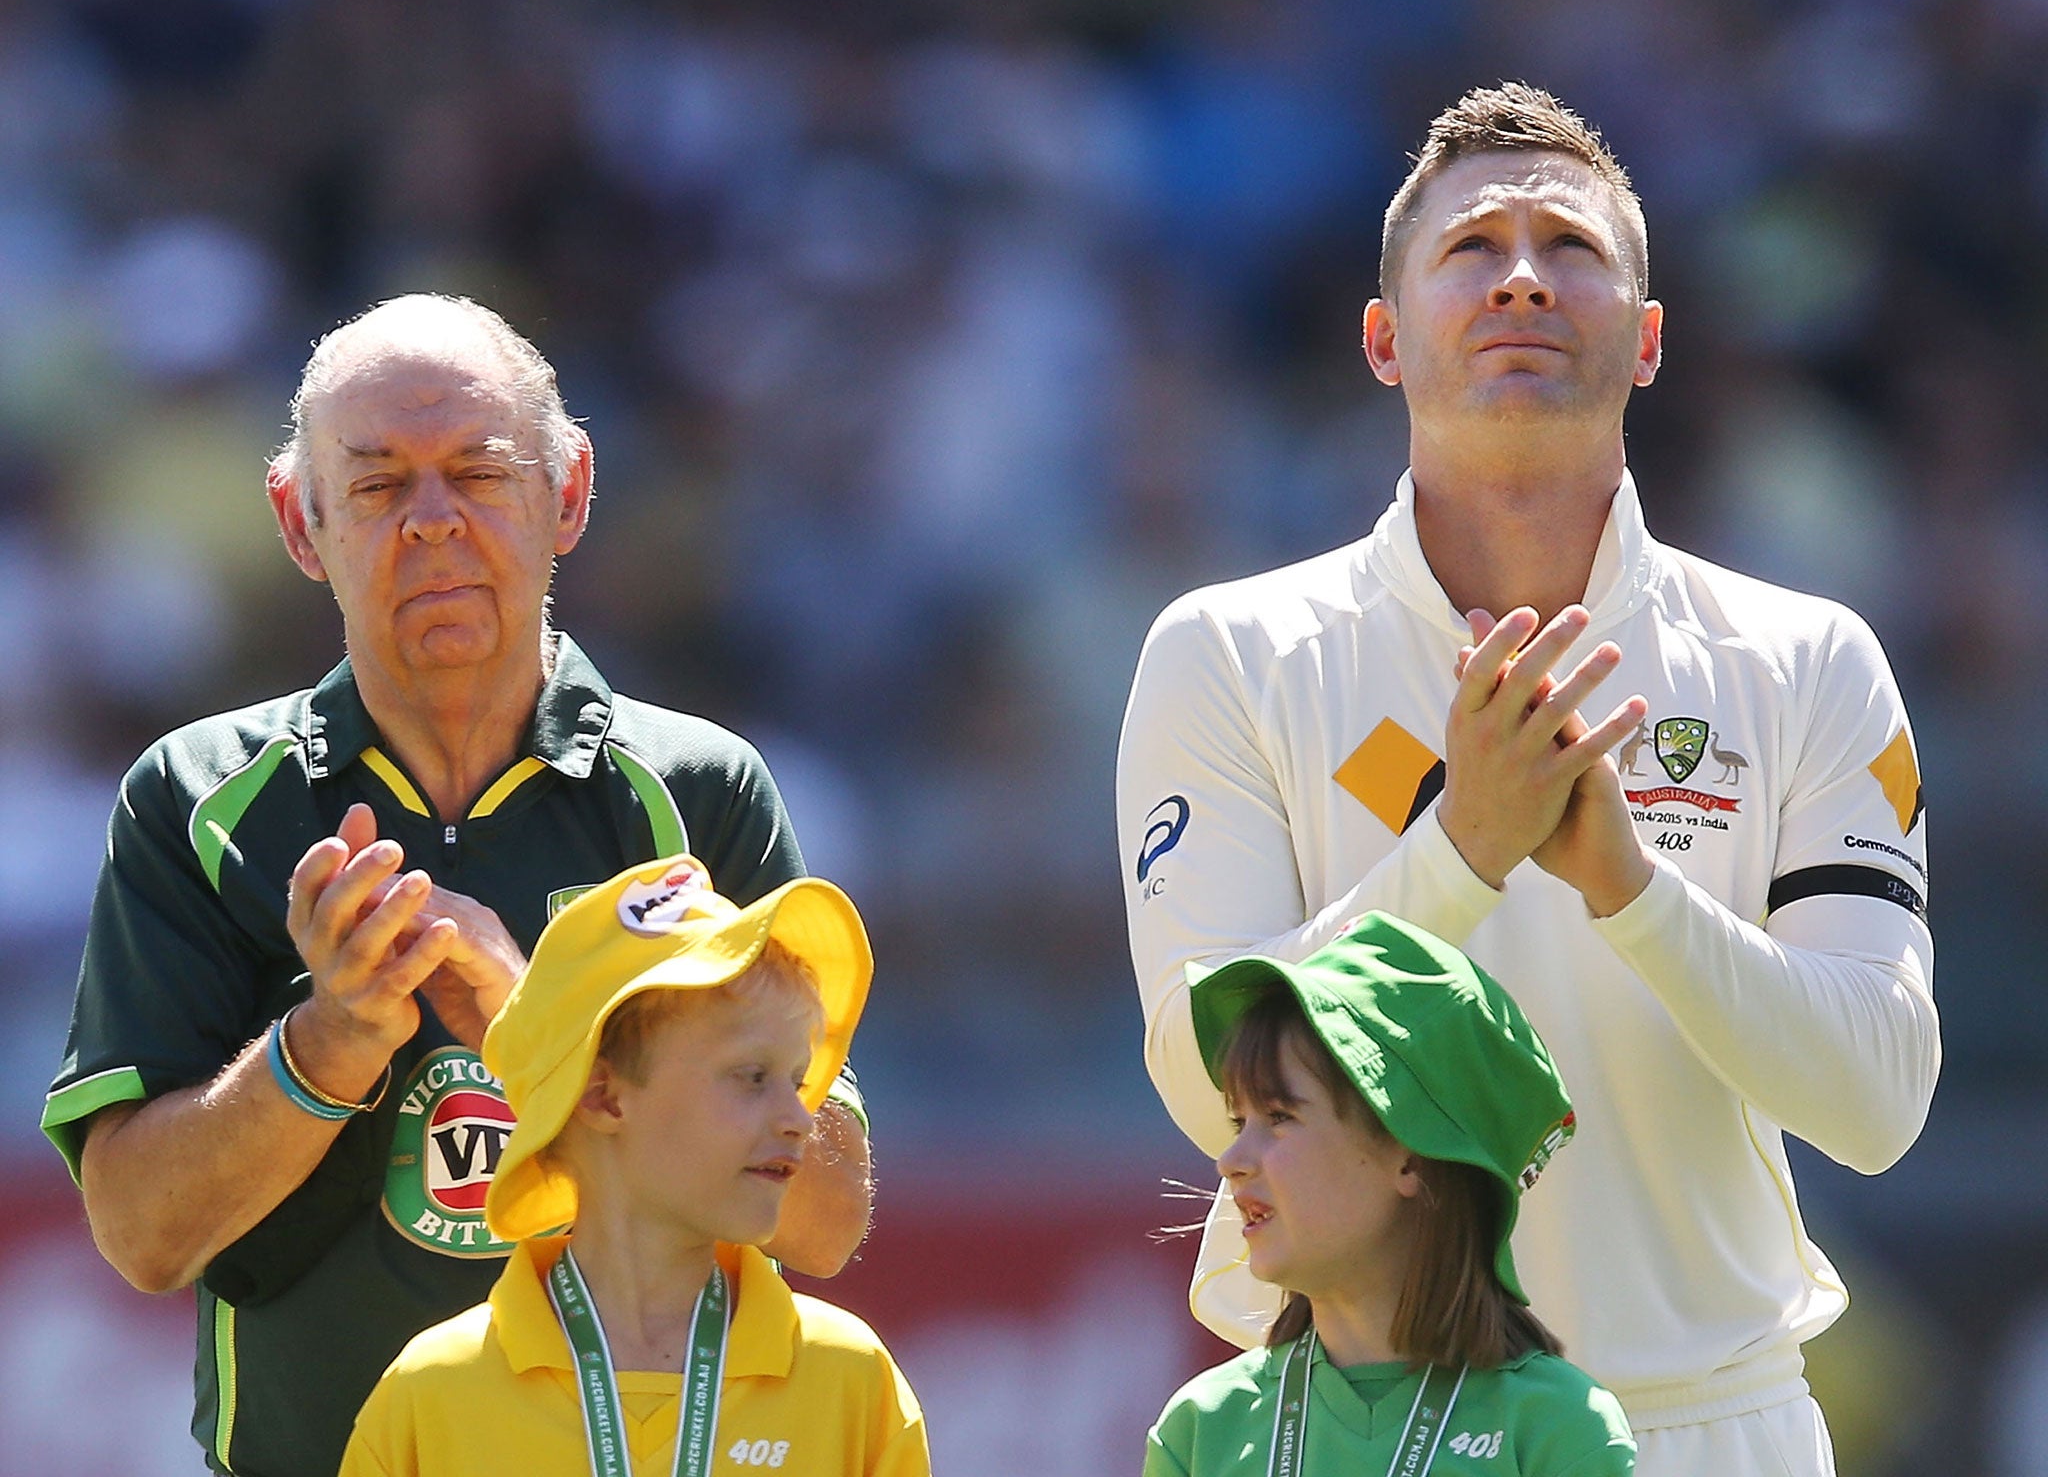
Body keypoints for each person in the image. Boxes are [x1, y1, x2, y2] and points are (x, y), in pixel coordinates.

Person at [1116, 84, 1937, 1477]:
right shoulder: (1231, 652)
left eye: (1569, 248)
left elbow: (1877, 1101)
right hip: (1357, 1428)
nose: (1520, 279)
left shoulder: (1803, 658)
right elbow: (1208, 1086)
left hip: (1709, 1425)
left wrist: (1629, 889)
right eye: (1469, 249)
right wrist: (1462, 853)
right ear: (1383, 339)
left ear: (1648, 339)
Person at [42, 295, 873, 1477]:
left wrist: (536, 1024)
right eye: (378, 485)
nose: (432, 520)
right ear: (300, 522)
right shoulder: (199, 799)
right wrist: (326, 1045)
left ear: (568, 492)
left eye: (478, 474)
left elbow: (825, 1216)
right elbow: (141, 1236)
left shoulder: (695, 793)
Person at [340, 854, 929, 1477]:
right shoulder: (433, 1395)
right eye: (753, 1076)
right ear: (604, 1096)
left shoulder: (851, 1384)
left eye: (799, 1081)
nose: (800, 1119)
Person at [1144, 911, 1634, 1477]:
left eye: (1278, 1116)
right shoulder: (1200, 1430)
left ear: (1411, 1154)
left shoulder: (1559, 1430)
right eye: (1239, 1121)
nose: (1230, 1161)